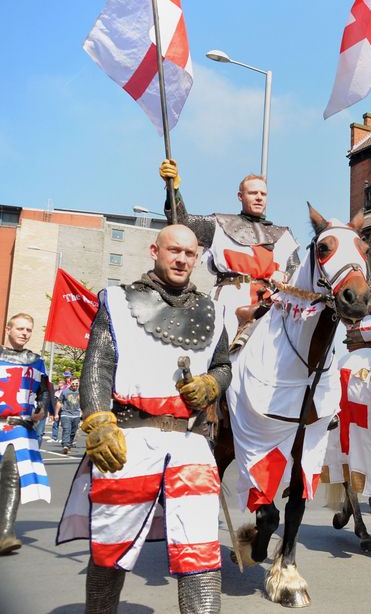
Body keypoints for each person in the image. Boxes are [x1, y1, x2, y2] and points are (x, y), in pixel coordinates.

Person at [56, 225, 231, 612]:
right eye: (174, 251)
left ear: (197, 257)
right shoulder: (117, 302)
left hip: (189, 442)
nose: (182, 259)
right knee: (111, 548)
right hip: (129, 439)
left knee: (200, 548)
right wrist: (99, 421)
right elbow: (98, 365)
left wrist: (210, 384)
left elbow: (223, 365)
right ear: (155, 250)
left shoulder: (215, 311)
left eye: (189, 253)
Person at [160, 159, 299, 342]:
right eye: (253, 193)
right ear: (240, 196)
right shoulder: (219, 224)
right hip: (229, 299)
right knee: (215, 350)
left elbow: (295, 269)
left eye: (263, 194)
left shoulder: (283, 235)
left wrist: (285, 275)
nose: (259, 197)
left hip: (269, 302)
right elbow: (182, 223)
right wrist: (173, 189)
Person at [0, 313, 51, 555]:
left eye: (28, 330)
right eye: (20, 328)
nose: (24, 333)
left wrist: (42, 407)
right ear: (8, 329)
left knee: (12, 475)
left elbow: (44, 391)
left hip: (19, 427)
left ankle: (5, 533)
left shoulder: (36, 362)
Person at [55, 377, 82, 455]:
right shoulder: (65, 392)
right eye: (73, 384)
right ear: (70, 383)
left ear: (78, 384)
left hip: (76, 415)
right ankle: (65, 446)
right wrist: (56, 414)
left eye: (76, 384)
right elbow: (59, 402)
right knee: (67, 429)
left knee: (73, 432)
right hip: (65, 414)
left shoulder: (81, 392)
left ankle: (69, 445)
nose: (75, 385)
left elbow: (83, 403)